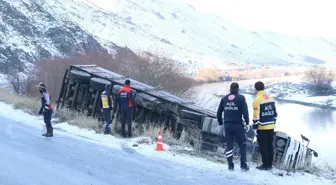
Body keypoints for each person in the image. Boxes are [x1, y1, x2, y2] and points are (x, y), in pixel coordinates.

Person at [217, 82, 250, 171]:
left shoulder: (224, 98)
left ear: (230, 89)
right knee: (242, 144)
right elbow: (245, 112)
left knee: (229, 145)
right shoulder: (241, 98)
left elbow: (219, 112)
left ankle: (230, 165)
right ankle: (243, 165)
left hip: (227, 125)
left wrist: (220, 124)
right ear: (238, 89)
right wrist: (247, 123)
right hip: (238, 125)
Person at [252, 81, 278, 170]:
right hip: (271, 126)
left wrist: (255, 127)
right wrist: (273, 123)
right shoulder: (270, 98)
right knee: (270, 146)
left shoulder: (257, 100)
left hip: (262, 127)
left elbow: (256, 116)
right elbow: (275, 114)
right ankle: (270, 165)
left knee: (263, 146)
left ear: (256, 89)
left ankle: (265, 165)